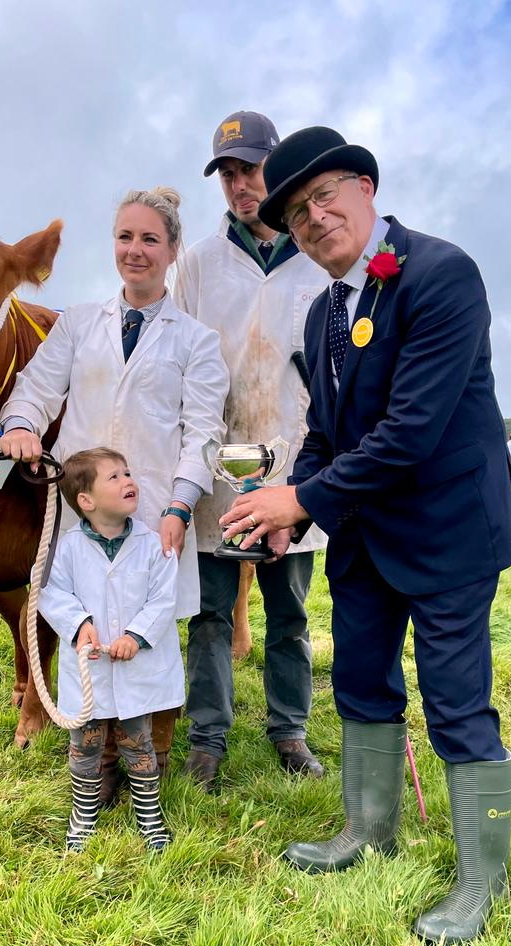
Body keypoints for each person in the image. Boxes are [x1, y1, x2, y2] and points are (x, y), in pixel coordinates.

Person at [220, 126, 511, 944]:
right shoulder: (322, 311)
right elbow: (328, 434)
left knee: (457, 705)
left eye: (324, 196)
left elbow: (411, 432)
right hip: (361, 532)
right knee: (360, 685)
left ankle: (478, 885)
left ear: (365, 189)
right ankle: (366, 831)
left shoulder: (442, 274)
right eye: (295, 211)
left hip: (449, 529)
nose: (313, 219)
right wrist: (295, 508)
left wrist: (299, 500)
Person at [0, 186, 229, 803]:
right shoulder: (79, 322)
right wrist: (21, 422)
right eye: (125, 237)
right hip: (82, 507)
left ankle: (147, 755)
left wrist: (181, 503)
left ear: (173, 250)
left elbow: (204, 433)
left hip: (152, 508)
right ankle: (94, 758)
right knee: (86, 623)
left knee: (149, 630)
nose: (136, 250)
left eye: (150, 238)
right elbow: (37, 388)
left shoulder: (196, 341)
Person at [173, 111, 329, 789]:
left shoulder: (321, 261)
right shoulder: (200, 264)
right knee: (209, 613)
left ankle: (289, 729)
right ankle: (208, 735)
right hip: (215, 468)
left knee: (289, 612)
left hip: (296, 467)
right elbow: (176, 358)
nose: (240, 185)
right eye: (229, 173)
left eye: (251, 168)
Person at [38, 448, 183, 852]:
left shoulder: (154, 545)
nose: (128, 481)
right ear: (86, 501)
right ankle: (83, 814)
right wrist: (79, 624)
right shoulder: (66, 547)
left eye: (128, 472)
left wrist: (135, 636)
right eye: (115, 477)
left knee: (138, 741)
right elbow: (52, 594)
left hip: (135, 667)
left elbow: (163, 599)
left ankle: (149, 814)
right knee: (84, 743)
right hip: (91, 667)